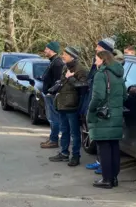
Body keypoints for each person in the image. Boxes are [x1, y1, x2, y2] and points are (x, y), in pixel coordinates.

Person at [87, 50, 126, 188]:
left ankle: (106, 179)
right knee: (114, 147)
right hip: (116, 115)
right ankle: (114, 178)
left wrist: (91, 110)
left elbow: (98, 96)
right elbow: (124, 95)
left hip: (103, 116)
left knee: (103, 147)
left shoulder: (100, 75)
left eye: (96, 59)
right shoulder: (118, 75)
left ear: (103, 60)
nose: (94, 61)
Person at [48, 46, 89, 166]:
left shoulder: (80, 69)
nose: (62, 56)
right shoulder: (65, 67)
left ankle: (75, 156)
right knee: (64, 130)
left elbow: (83, 86)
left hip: (72, 106)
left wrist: (70, 78)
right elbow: (62, 83)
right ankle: (64, 153)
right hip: (62, 104)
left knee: (75, 133)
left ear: (72, 56)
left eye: (65, 54)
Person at [40, 41, 64, 149]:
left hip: (52, 95)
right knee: (51, 118)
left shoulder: (57, 63)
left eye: (47, 48)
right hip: (49, 94)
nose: (45, 50)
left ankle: (54, 140)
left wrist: (51, 91)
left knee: (54, 118)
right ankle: (52, 138)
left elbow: (58, 81)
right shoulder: (53, 61)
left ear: (52, 50)